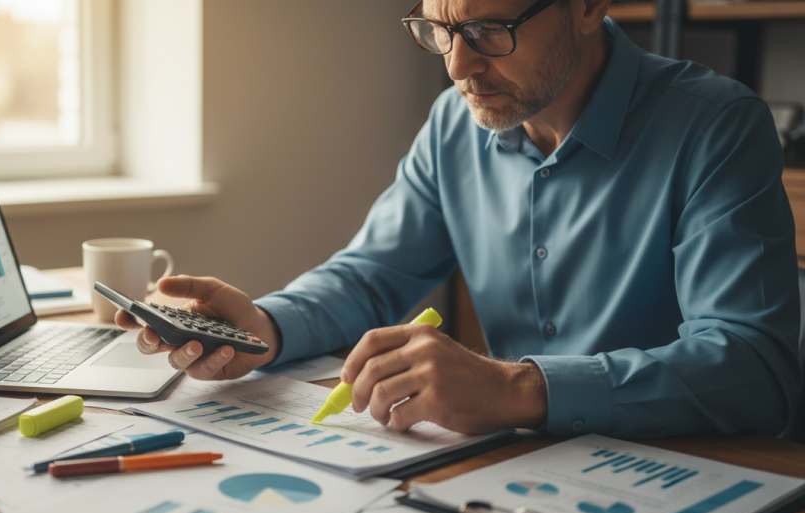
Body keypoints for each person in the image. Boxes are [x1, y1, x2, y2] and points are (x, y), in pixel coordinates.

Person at [117, 0, 802, 439]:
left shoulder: (715, 125)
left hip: (688, 475)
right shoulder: (455, 124)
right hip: (511, 473)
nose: (457, 67)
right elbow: (371, 275)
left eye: (488, 30)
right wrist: (266, 326)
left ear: (589, 6)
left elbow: (755, 366)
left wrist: (517, 388)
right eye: (439, 30)